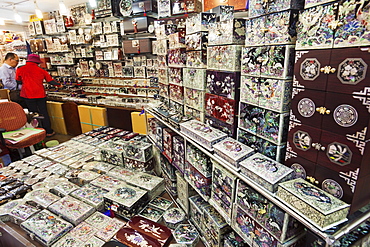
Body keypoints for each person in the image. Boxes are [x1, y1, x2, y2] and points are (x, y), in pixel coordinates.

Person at [15, 54, 61, 137]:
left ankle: (38, 133)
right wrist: (59, 85)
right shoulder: (41, 70)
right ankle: (48, 131)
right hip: (40, 94)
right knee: (44, 113)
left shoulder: (20, 69)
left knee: (33, 114)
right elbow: (50, 81)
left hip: (27, 95)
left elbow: (18, 81)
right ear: (37, 62)